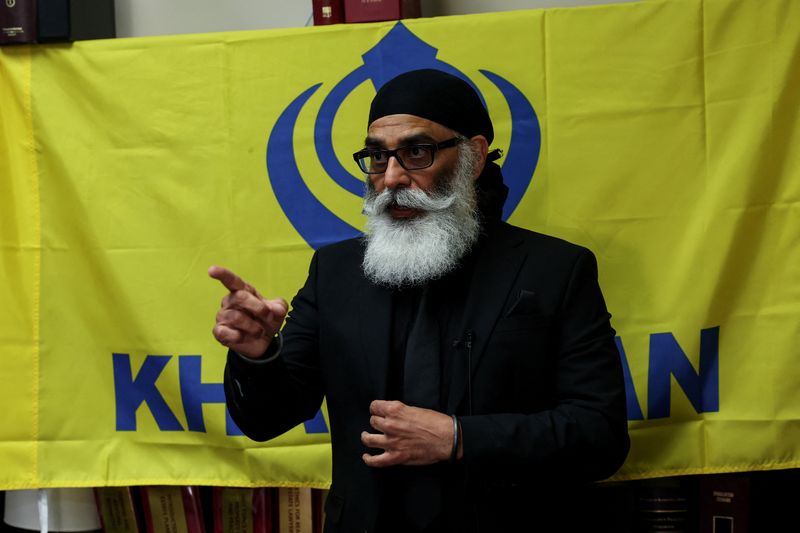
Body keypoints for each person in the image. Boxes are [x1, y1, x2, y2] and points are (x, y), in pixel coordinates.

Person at [210, 69, 630, 533]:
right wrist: (258, 356)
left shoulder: (554, 270)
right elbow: (268, 419)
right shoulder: (335, 273)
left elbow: (599, 437)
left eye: (416, 152)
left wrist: (458, 438)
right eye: (376, 156)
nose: (391, 178)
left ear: (472, 156)